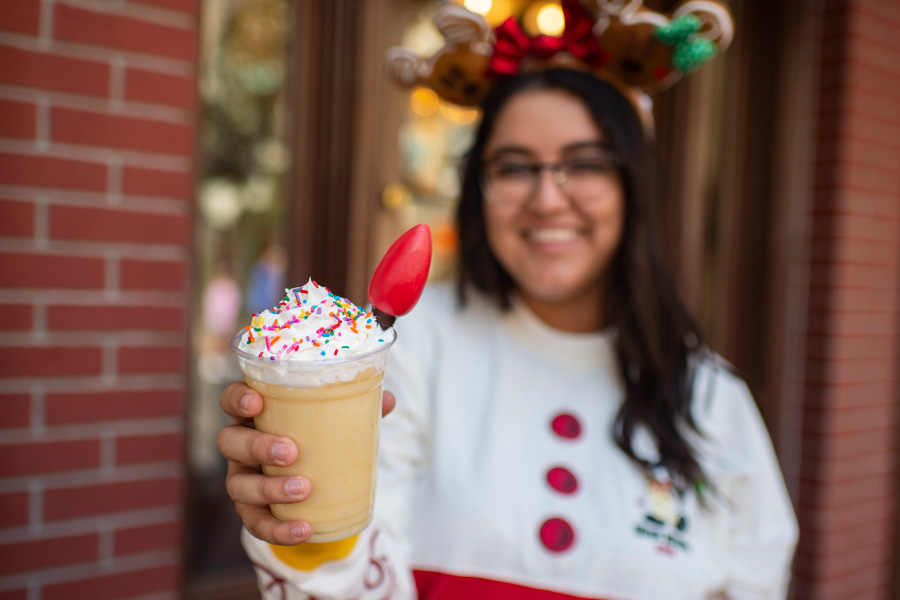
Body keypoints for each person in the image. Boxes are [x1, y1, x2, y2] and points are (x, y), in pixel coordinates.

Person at [217, 5, 798, 600]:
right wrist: (311, 535)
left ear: (635, 188)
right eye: (514, 167)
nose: (547, 199)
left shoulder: (712, 400)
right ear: (477, 192)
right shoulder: (403, 355)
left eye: (585, 164)